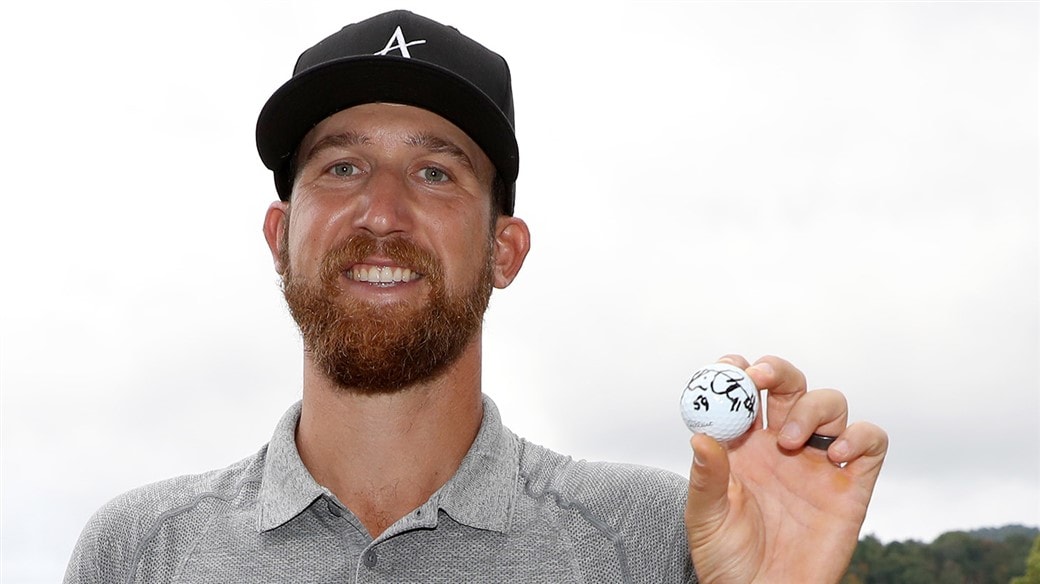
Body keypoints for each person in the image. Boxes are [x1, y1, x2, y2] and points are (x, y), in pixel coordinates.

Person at [64, 10, 888, 583]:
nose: (381, 213)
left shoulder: (659, 539)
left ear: (505, 249)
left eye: (435, 172)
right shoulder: (136, 553)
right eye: (342, 166)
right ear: (280, 235)